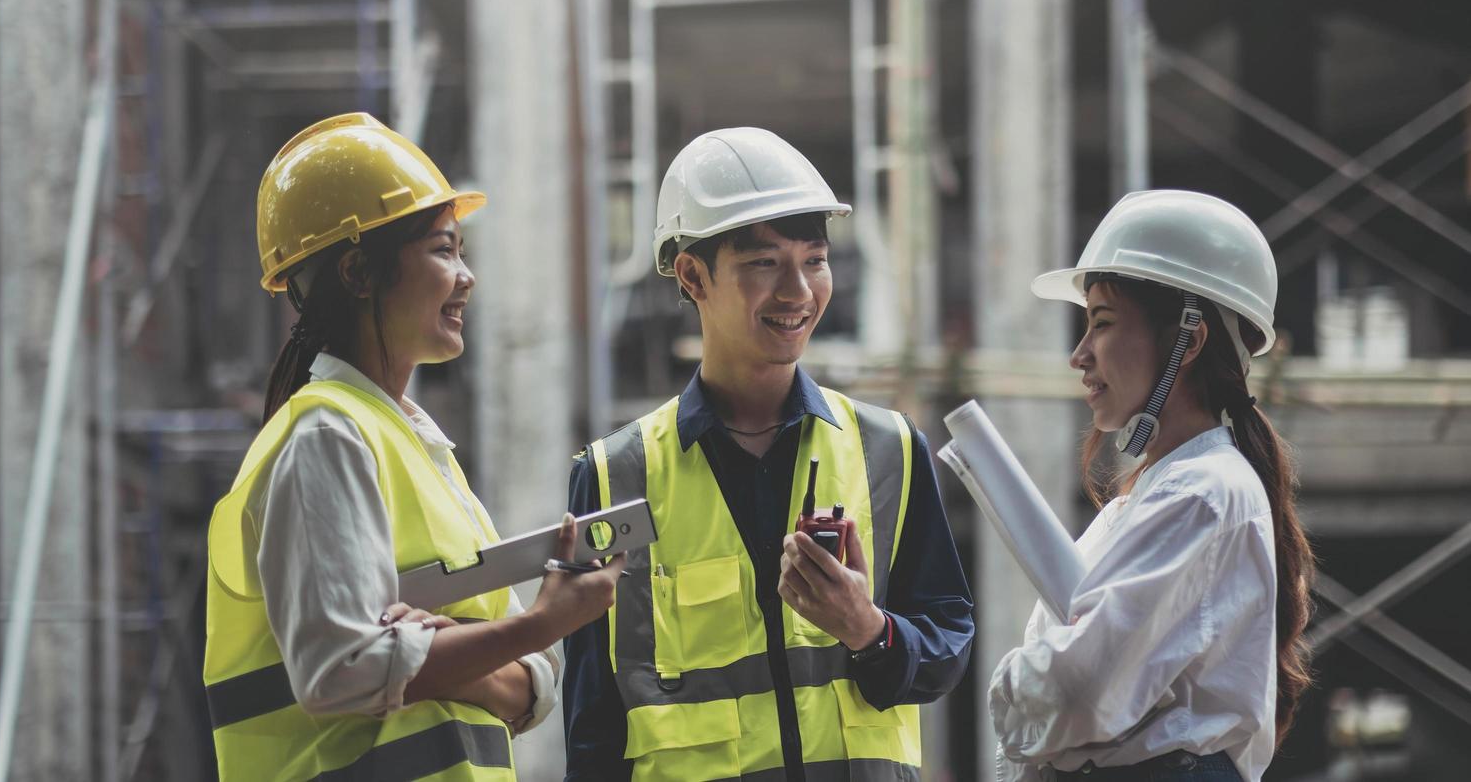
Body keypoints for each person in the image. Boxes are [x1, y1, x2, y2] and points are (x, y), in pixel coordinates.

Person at [203, 112, 623, 782]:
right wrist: (531, 629)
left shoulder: (418, 446)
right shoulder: (324, 438)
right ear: (359, 273)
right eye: (443, 249)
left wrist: (441, 649)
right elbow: (340, 672)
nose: (466, 277)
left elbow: (535, 691)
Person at [563, 126, 975, 781]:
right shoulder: (615, 477)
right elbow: (593, 723)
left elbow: (948, 647)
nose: (799, 292)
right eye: (764, 264)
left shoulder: (889, 450)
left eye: (814, 259)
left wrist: (867, 628)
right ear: (693, 275)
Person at [989, 189, 1315, 782]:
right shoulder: (1158, 494)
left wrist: (1011, 680)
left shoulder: (1200, 493)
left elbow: (1079, 688)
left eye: (1102, 324)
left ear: (1187, 342)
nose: (1079, 355)